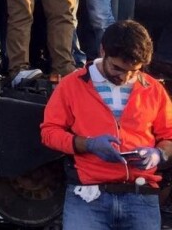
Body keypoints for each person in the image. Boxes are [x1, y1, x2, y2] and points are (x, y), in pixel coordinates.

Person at [41, 20, 172, 228]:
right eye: (118, 68)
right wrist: (88, 144)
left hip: (141, 196)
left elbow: (169, 137)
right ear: (103, 50)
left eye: (134, 71)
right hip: (88, 196)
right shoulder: (71, 85)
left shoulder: (153, 89)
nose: (125, 77)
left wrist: (159, 153)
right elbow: (49, 132)